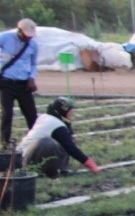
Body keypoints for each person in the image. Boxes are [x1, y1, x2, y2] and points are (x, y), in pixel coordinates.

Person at [18, 97, 100, 178]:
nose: (72, 113)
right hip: (25, 158)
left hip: (26, 154)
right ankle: (41, 170)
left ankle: (61, 168)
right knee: (49, 143)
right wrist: (90, 163)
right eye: (70, 110)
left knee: (64, 141)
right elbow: (71, 148)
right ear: (63, 110)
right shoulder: (55, 123)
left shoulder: (46, 117)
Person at [0, 18, 39, 147]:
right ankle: (5, 141)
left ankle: (35, 140)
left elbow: (33, 64)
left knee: (31, 113)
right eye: (26, 35)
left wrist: (32, 78)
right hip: (6, 82)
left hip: (24, 84)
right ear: (19, 31)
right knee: (7, 113)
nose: (28, 38)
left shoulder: (33, 45)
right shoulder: (5, 38)